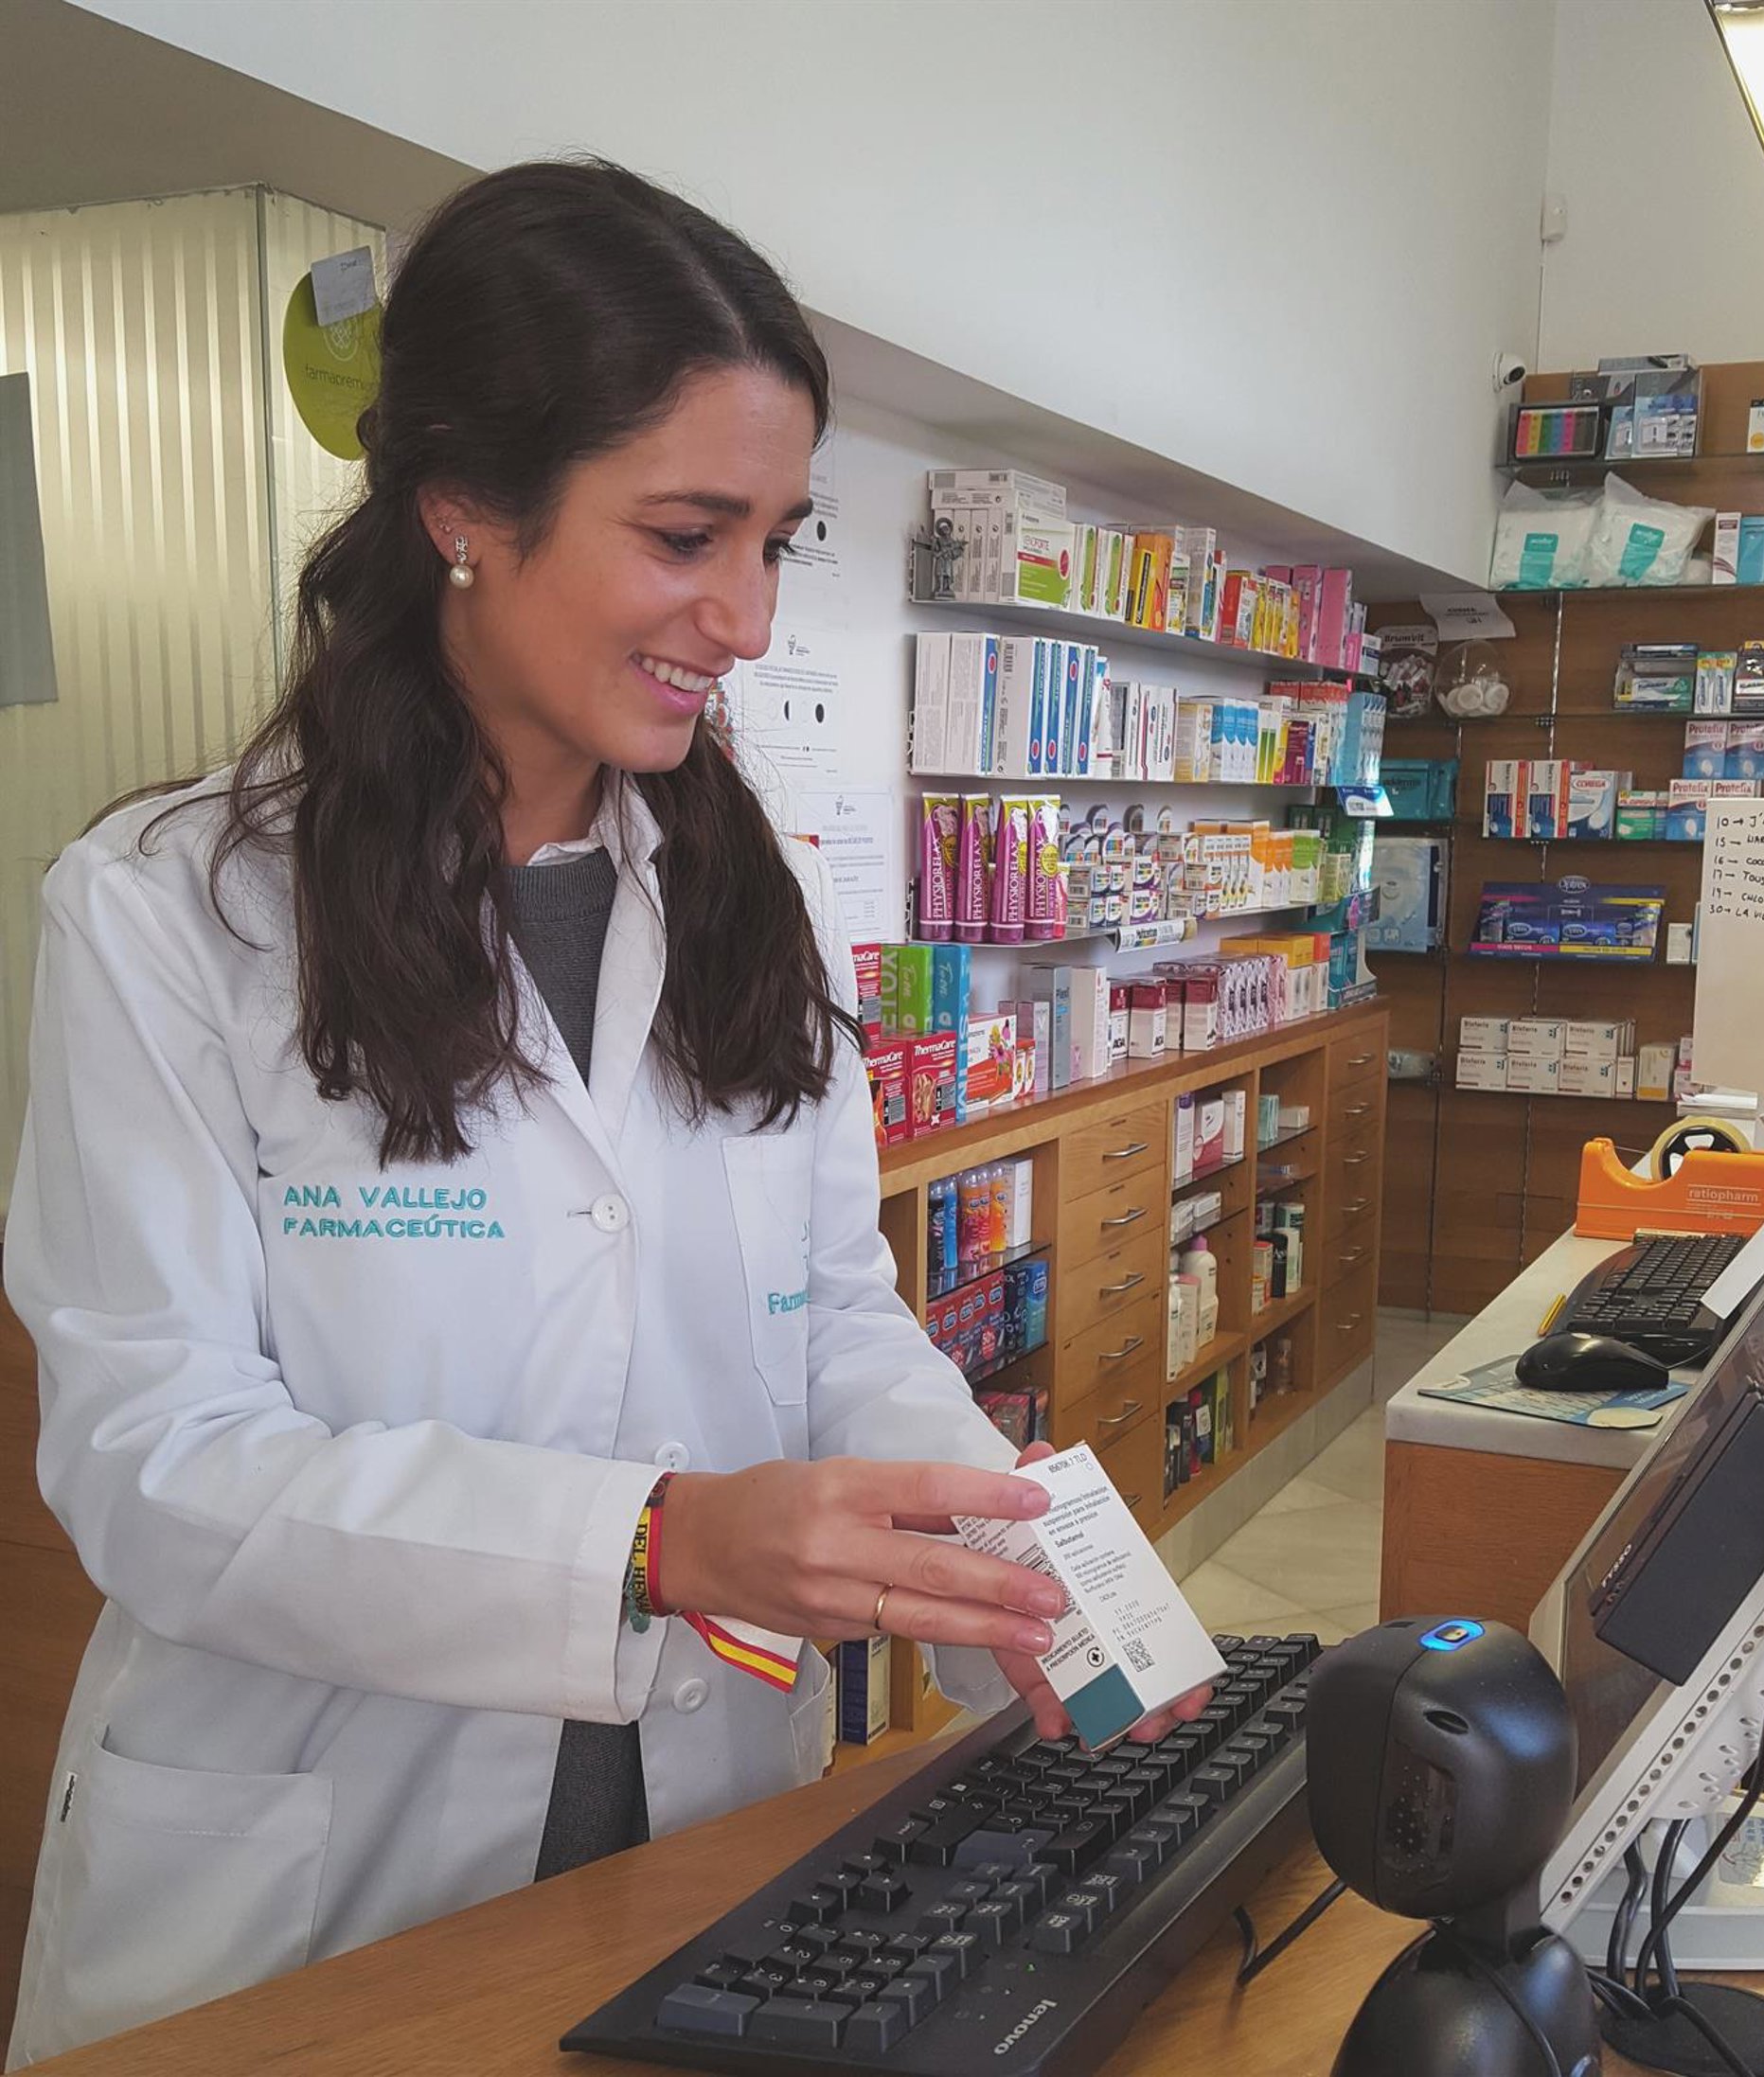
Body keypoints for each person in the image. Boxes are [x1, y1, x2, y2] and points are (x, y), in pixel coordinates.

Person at [3, 160, 1209, 2067]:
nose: (746, 617)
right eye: (684, 534)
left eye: (776, 540)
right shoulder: (169, 914)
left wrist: (998, 1551)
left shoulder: (743, 893)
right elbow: (154, 1464)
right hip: (317, 1892)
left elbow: (834, 1314)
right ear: (463, 508)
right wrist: (660, 1541)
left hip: (708, 1843)